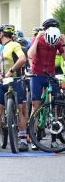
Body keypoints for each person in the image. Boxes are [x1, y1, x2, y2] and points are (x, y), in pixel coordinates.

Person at [0, 25, 27, 152]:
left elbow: (22, 59)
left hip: (15, 81)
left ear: (2, 34)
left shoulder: (15, 45)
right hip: (3, 82)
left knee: (20, 111)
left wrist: (11, 71)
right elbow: (0, 66)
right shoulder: (3, 48)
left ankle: (23, 140)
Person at [28, 18, 64, 150]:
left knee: (53, 105)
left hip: (50, 75)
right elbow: (30, 55)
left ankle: (54, 139)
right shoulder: (39, 39)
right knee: (35, 105)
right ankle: (34, 136)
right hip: (37, 75)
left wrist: (64, 44)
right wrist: (37, 39)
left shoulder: (57, 41)